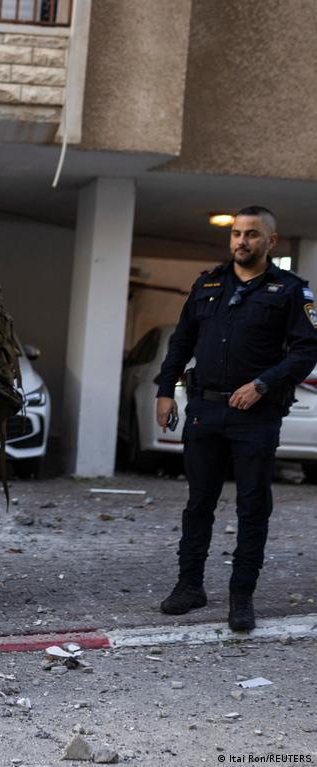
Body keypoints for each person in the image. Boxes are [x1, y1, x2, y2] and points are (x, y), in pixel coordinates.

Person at [155, 206, 317, 632]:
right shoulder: (208, 284)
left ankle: (241, 596)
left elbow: (307, 350)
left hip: (256, 416)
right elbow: (182, 340)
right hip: (205, 410)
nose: (241, 241)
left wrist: (263, 384)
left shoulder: (290, 290)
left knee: (252, 506)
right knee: (198, 503)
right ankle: (189, 586)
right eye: (236, 234)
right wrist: (165, 391)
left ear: (270, 241)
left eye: (251, 234)